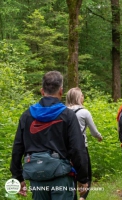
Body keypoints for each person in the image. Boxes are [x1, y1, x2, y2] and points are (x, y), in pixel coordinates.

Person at [10, 71, 88, 200]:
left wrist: (18, 177)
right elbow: (78, 149)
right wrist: (82, 178)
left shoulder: (27, 115)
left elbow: (17, 148)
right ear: (61, 91)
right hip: (62, 177)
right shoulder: (67, 115)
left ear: (42, 91)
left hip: (37, 177)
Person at [66, 87, 103, 200]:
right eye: (81, 95)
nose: (83, 97)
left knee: (70, 177)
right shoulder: (84, 112)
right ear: (78, 97)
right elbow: (93, 131)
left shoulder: (63, 112)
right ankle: (82, 198)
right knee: (86, 177)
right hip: (81, 149)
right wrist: (99, 137)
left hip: (66, 150)